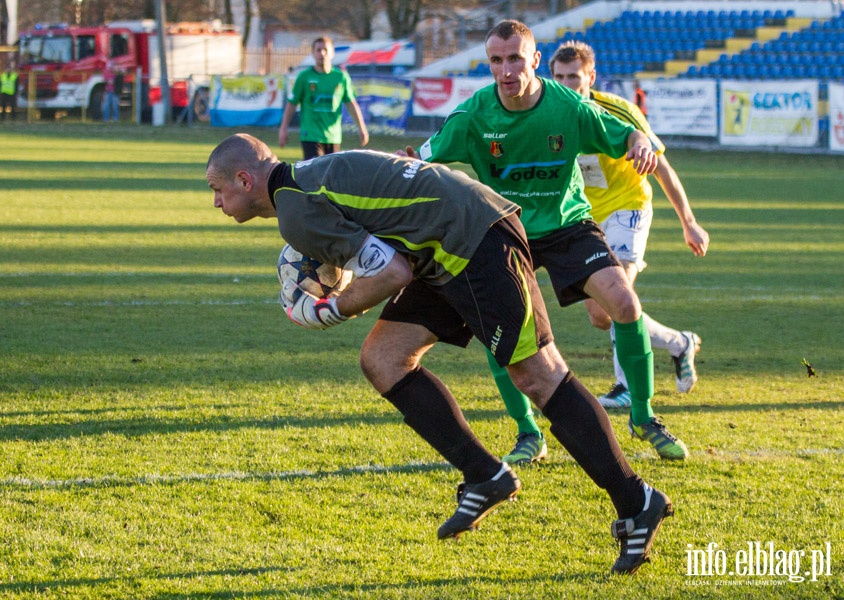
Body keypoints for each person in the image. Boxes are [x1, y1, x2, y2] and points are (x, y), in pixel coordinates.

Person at [206, 133, 673, 575]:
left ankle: (637, 502)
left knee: (538, 376)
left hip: (474, 238)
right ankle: (484, 474)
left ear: (245, 181)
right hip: (444, 243)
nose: (216, 202)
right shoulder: (308, 175)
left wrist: (331, 308)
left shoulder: (295, 212)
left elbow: (391, 272)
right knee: (383, 359)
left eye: (217, 190)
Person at [406, 19, 688, 463]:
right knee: (502, 334)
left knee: (625, 304)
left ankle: (643, 416)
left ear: (535, 60)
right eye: (496, 61)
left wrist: (639, 143)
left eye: (516, 58)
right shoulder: (473, 115)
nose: (506, 70)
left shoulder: (568, 106)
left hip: (567, 224)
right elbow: (417, 161)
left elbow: (626, 134)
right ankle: (528, 433)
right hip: (506, 228)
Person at [550, 41, 710, 408]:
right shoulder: (550, 112)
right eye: (559, 77)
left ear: (590, 76)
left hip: (628, 208)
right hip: (585, 217)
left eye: (574, 77)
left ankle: (626, 386)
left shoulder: (618, 111)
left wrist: (689, 222)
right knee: (600, 315)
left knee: (616, 295)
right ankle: (678, 343)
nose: (566, 84)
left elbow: (662, 166)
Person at [278, 36, 369, 159]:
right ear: (313, 53)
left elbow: (351, 103)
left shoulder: (341, 77)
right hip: (310, 134)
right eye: (318, 50)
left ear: (332, 53)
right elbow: (292, 104)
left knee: (330, 175)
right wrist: (283, 129)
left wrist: (361, 128)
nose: (322, 53)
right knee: (316, 173)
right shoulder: (304, 77)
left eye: (325, 49)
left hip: (333, 136)